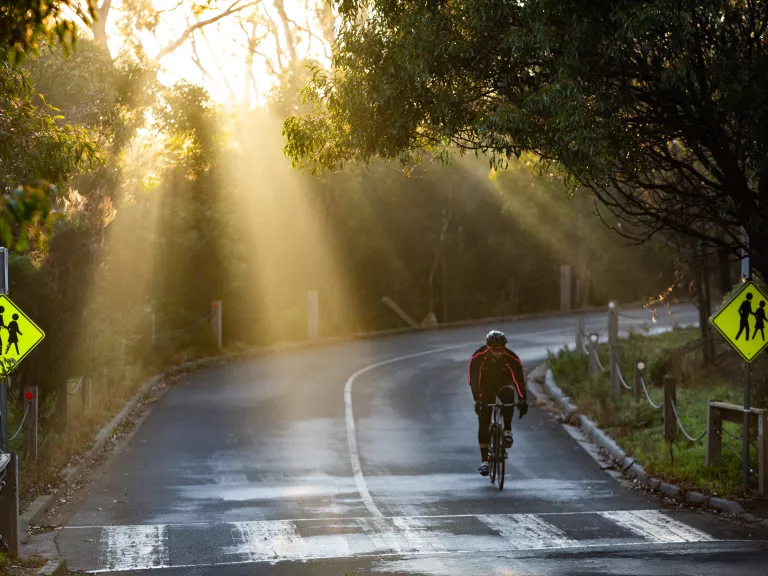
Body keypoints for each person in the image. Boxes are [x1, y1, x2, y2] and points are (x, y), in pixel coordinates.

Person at [468, 330, 528, 476]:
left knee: (508, 395)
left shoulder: (511, 358)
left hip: (503, 384)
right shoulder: (478, 356)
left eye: (501, 349)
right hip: (485, 387)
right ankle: (484, 461)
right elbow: (473, 380)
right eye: (495, 349)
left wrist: (522, 399)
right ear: (488, 348)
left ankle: (507, 429)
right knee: (484, 418)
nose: (498, 353)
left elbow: (519, 380)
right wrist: (478, 400)